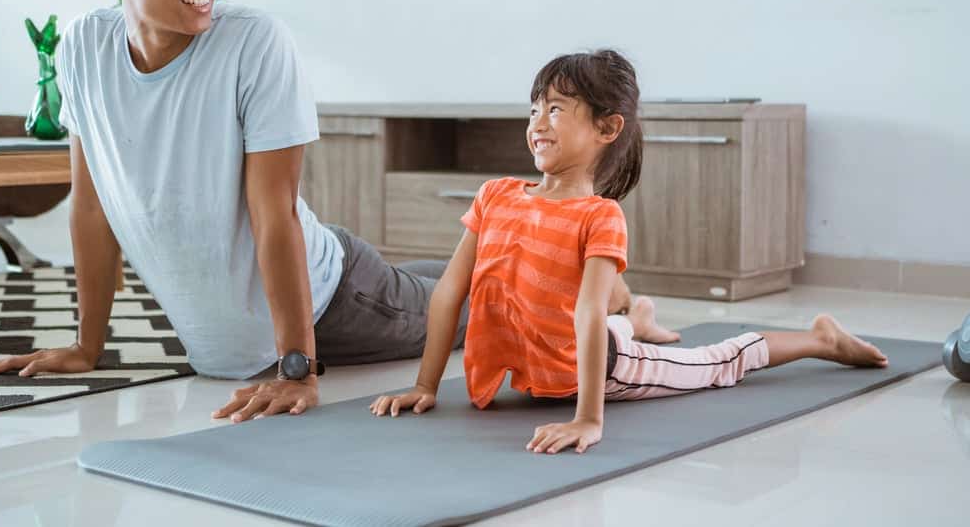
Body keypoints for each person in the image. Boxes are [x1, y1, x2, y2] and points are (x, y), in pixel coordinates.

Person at [0, 0, 654, 423]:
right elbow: (91, 206)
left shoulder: (253, 42)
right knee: (433, 279)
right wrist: (86, 345)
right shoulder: (83, 48)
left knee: (488, 305)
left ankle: (618, 297)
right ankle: (509, 262)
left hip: (335, 302)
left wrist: (297, 366)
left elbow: (272, 212)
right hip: (294, 291)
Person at [370, 49, 889, 454]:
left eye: (556, 109)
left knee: (716, 363)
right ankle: (637, 317)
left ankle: (819, 339)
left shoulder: (600, 216)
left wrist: (588, 419)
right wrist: (425, 384)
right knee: (605, 320)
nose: (538, 123)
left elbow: (588, 313)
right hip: (556, 353)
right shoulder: (495, 196)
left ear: (607, 128)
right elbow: (449, 292)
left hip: (606, 369)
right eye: (534, 109)